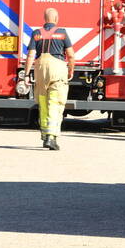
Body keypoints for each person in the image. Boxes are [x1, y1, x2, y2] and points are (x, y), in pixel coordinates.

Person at [23, 8, 75, 151]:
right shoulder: (62, 33)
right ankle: (51, 137)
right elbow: (70, 55)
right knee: (55, 102)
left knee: (43, 102)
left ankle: (45, 135)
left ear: (44, 18)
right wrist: (71, 69)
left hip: (40, 70)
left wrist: (27, 75)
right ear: (56, 19)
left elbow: (31, 56)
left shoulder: (36, 33)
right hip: (57, 69)